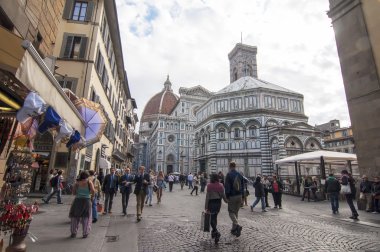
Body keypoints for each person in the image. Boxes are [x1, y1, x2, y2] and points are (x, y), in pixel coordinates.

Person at [69, 171, 95, 238]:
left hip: (77, 201)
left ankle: (73, 232)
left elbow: (73, 193)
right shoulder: (89, 182)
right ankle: (85, 233)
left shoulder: (77, 183)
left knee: (75, 217)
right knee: (86, 217)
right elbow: (93, 191)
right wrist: (91, 197)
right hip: (86, 201)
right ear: (87, 176)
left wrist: (78, 192)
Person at [205, 173, 228, 244]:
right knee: (214, 218)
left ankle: (216, 232)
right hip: (218, 203)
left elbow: (207, 197)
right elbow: (223, 195)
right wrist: (226, 201)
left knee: (211, 219)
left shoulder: (209, 185)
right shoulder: (221, 185)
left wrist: (206, 207)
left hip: (211, 203)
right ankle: (214, 232)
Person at [225, 161, 244, 237]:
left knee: (231, 212)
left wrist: (227, 196)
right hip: (239, 196)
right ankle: (234, 229)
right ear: (235, 166)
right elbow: (243, 186)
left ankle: (237, 225)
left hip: (232, 196)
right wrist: (242, 197)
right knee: (236, 212)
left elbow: (227, 187)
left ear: (230, 166)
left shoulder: (229, 174)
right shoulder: (239, 174)